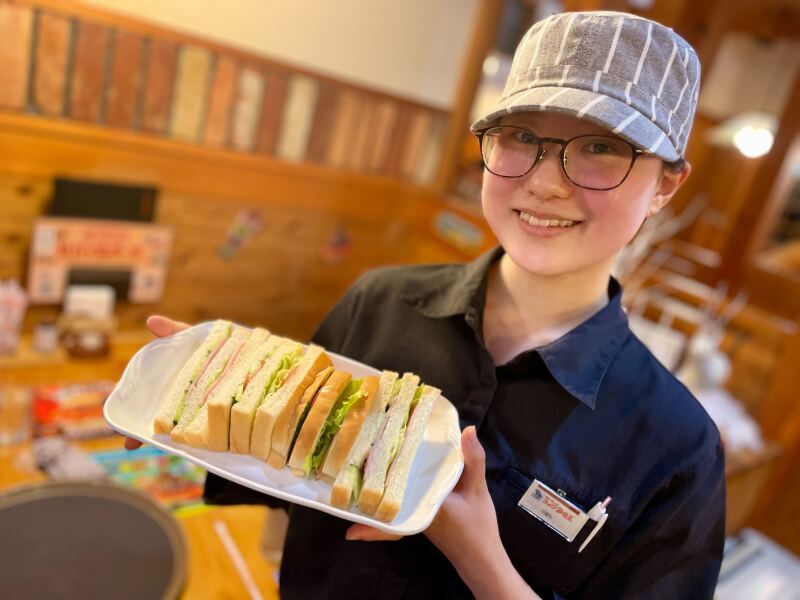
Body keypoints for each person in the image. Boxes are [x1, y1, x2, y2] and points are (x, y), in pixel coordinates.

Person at [127, 11, 724, 599]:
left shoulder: (676, 449)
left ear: (665, 186)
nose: (546, 183)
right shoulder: (380, 300)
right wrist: (208, 410)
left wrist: (482, 563)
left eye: (600, 146)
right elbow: (290, 473)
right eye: (521, 137)